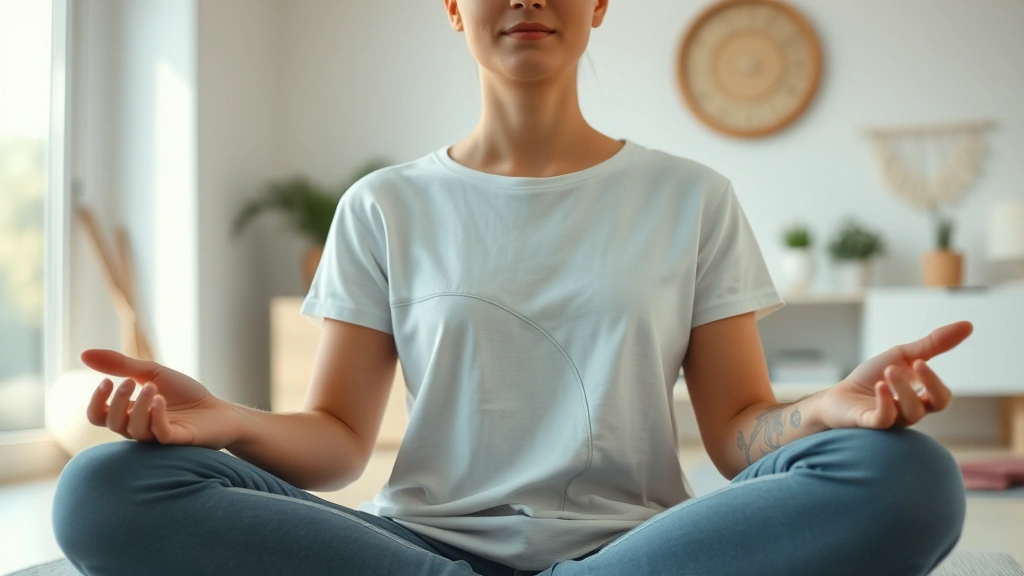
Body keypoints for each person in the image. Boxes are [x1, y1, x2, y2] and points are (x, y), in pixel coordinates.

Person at [52, 1, 973, 575]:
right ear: (451, 6)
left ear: (601, 3)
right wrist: (226, 421)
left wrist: (822, 414)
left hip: (638, 549)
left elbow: (739, 438)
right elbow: (337, 443)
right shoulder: (385, 205)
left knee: (909, 478)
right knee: (101, 489)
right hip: (419, 549)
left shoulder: (690, 197)